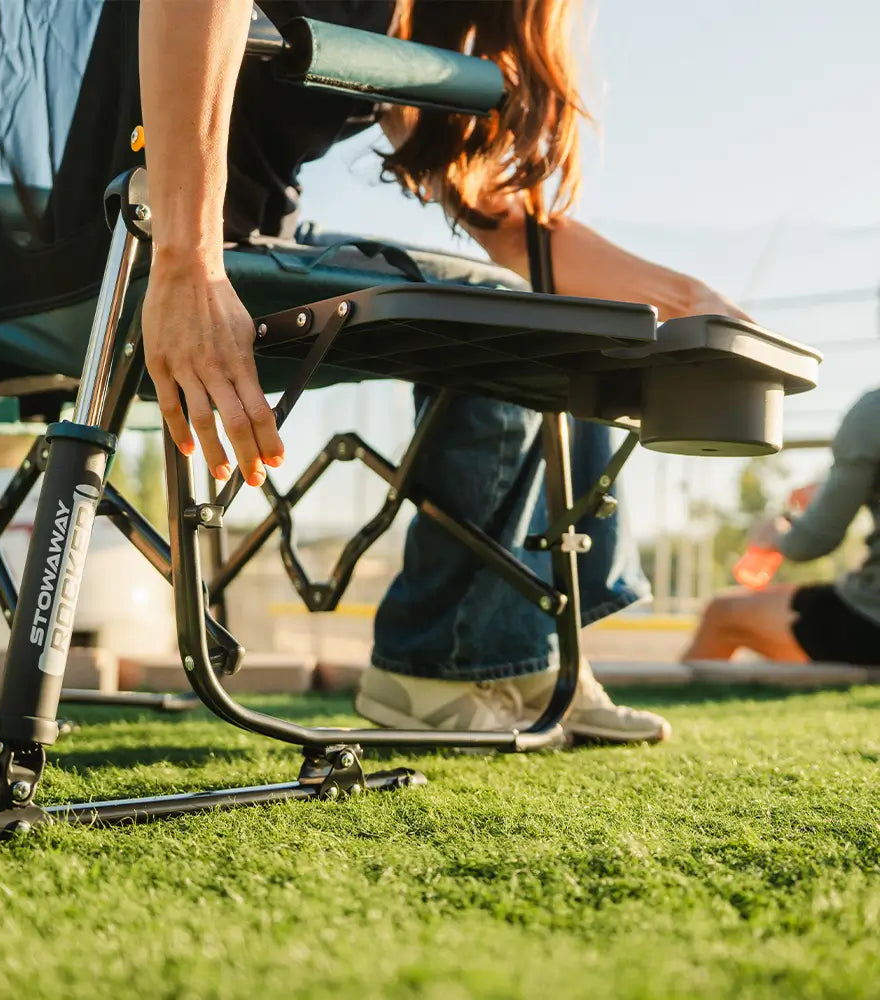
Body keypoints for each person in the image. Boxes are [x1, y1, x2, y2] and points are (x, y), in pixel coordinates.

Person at [138, 0, 751, 744]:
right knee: (506, 321)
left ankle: (524, 653)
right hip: (160, 255)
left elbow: (509, 226)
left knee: (562, 316)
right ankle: (434, 667)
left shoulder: (397, 24)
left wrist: (692, 301)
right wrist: (185, 260)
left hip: (231, 247)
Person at [683, 388, 880, 666]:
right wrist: (830, 491)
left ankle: (679, 707)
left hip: (871, 621)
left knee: (721, 614)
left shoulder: (873, 411)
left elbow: (811, 542)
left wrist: (776, 534)